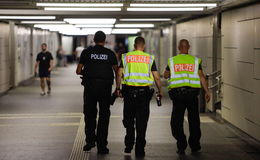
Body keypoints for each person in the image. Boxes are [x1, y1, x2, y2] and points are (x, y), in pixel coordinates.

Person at [116, 36, 162, 157]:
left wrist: (117, 88)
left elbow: (119, 73)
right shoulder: (149, 58)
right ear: (144, 45)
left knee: (129, 121)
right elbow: (156, 77)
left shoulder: (126, 57)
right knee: (142, 123)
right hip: (143, 95)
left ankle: (128, 146)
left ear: (134, 45)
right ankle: (140, 149)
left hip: (129, 94)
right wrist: (160, 90)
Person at [163, 39, 211, 155]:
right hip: (192, 95)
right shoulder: (195, 61)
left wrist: (172, 74)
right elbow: (202, 77)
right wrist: (207, 91)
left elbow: (165, 75)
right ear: (189, 47)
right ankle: (194, 146)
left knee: (176, 122)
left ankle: (181, 144)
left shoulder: (172, 61)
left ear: (179, 47)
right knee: (194, 121)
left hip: (178, 96)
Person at [76, 31, 118, 154]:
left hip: (90, 88)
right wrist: (118, 88)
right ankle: (102, 145)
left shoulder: (86, 52)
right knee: (104, 116)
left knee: (89, 114)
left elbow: (78, 70)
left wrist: (87, 72)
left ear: (94, 40)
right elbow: (117, 71)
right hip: (105, 88)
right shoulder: (110, 53)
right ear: (104, 40)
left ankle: (90, 141)